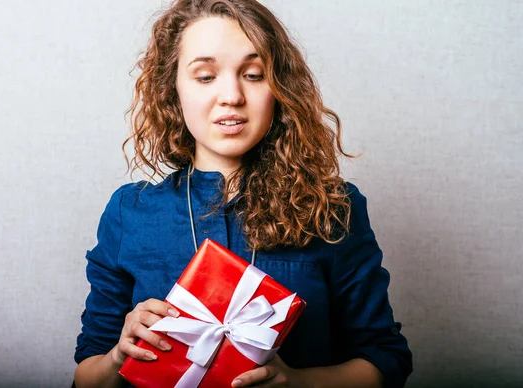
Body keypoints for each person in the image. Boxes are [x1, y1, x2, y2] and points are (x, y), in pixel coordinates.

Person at [73, 0, 413, 387]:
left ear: (279, 87)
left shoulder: (333, 209)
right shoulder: (128, 212)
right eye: (205, 77)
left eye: (253, 74)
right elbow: (86, 375)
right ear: (173, 89)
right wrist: (119, 355)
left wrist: (299, 383)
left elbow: (386, 360)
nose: (231, 95)